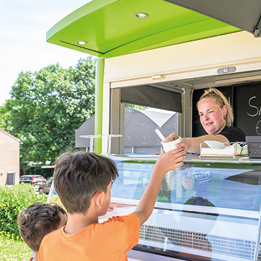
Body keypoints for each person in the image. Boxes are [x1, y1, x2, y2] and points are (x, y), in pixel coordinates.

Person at [38, 149, 186, 261]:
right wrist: (160, 169)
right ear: (99, 199)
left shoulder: (47, 242)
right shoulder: (113, 233)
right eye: (109, 190)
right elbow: (143, 211)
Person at [165, 87, 245, 154]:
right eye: (201, 114)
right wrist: (175, 140)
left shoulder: (236, 133)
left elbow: (216, 141)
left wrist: (184, 143)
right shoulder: (199, 142)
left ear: (224, 110)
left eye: (210, 111)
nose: (205, 118)